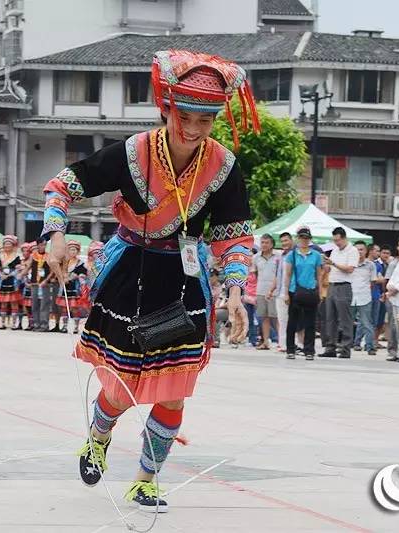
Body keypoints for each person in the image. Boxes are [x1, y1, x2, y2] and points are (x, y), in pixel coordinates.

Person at [42, 49, 254, 511]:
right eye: (187, 117)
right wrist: (55, 234)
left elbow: (234, 237)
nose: (196, 130)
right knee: (119, 388)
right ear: (167, 107)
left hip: (183, 281)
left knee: (174, 391)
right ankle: (98, 436)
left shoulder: (223, 166)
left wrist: (236, 292)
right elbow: (63, 185)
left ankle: (145, 478)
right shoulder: (133, 152)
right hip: (129, 275)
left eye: (207, 120)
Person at [284, 226, 323, 360]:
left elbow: (319, 274)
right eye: (301, 237)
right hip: (294, 291)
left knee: (310, 323)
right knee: (292, 322)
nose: (304, 240)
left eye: (306, 238)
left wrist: (320, 291)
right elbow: (288, 275)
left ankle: (309, 350)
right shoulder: (292, 255)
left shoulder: (316, 255)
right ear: (297, 238)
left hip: (311, 291)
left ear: (310, 239)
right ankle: (290, 349)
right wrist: (285, 293)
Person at [320, 227, 359, 358]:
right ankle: (330, 347)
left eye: (338, 240)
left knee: (345, 319)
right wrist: (325, 264)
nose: (337, 243)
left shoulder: (352, 251)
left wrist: (333, 263)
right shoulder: (335, 250)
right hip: (332, 285)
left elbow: (350, 269)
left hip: (344, 286)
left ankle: (345, 349)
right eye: (334, 240)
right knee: (330, 318)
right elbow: (330, 268)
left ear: (344, 238)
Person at [252, 234, 279, 350]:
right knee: (264, 317)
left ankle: (282, 342)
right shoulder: (256, 258)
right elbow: (256, 274)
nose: (264, 245)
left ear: (272, 244)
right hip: (260, 291)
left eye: (266, 242)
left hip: (275, 292)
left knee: (276, 318)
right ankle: (266, 342)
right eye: (262, 242)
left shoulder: (278, 257)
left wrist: (272, 289)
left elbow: (279, 275)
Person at [55, 240, 88, 334]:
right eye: (70, 250)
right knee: (64, 307)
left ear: (78, 251)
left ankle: (76, 327)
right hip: (65, 287)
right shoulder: (64, 263)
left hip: (74, 288)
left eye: (74, 250)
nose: (72, 252)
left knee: (74, 308)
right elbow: (58, 273)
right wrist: (62, 278)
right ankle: (65, 326)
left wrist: (77, 276)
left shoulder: (81, 264)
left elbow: (83, 275)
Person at [350, 241, 376, 355]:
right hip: (350, 296)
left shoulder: (370, 265)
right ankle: (347, 344)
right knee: (347, 322)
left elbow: (373, 282)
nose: (359, 252)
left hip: (365, 297)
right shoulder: (349, 264)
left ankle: (370, 346)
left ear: (366, 251)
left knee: (366, 323)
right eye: (357, 249)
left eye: (361, 249)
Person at [271, 231, 294, 352]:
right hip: (280, 292)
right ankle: (282, 343)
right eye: (282, 241)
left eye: (286, 240)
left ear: (292, 240)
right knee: (281, 319)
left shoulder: (296, 255)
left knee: (294, 319)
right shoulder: (280, 256)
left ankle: (295, 343)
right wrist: (271, 290)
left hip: (292, 291)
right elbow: (277, 275)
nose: (284, 243)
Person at [25, 240, 52, 332]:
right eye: (41, 245)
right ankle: (36, 324)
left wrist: (46, 280)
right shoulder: (33, 256)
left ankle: (44, 325)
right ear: (37, 246)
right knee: (35, 304)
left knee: (44, 304)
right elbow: (27, 267)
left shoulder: (49, 256)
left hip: (45, 284)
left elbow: (53, 271)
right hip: (34, 284)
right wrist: (23, 277)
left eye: (45, 245)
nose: (43, 247)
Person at [0, 235, 22, 330]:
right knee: (3, 302)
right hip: (3, 281)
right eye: (5, 244)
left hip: (12, 280)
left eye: (9, 244)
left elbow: (18, 269)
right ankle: (2, 323)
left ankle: (14, 323)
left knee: (14, 302)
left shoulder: (16, 256)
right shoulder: (0, 256)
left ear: (13, 245)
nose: (7, 246)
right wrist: (0, 274)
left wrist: (10, 274)